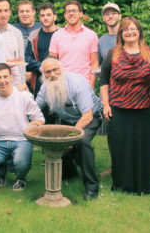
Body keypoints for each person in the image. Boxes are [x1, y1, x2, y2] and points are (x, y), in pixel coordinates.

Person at [100, 17, 150, 195]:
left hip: (146, 108)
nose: (130, 32)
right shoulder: (113, 53)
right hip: (120, 108)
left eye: (134, 29)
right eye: (126, 29)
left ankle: (144, 185)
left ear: (139, 32)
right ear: (121, 33)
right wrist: (105, 104)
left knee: (144, 147)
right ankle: (122, 183)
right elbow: (103, 81)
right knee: (121, 147)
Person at [36, 58, 102, 200]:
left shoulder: (77, 84)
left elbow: (87, 116)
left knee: (82, 141)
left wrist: (71, 137)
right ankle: (69, 173)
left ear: (61, 69)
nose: (53, 74)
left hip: (90, 117)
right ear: (43, 74)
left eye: (55, 69)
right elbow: (35, 108)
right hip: (67, 120)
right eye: (48, 72)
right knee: (54, 141)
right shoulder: (44, 87)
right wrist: (34, 123)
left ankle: (92, 187)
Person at [0, 63, 44, 191]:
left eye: (5, 77)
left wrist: (35, 124)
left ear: (11, 78)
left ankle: (21, 178)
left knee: (21, 163)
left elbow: (40, 118)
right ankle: (1, 171)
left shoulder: (23, 96)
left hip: (21, 140)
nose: (2, 81)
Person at [49, 0, 99, 88]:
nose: (71, 13)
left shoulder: (91, 35)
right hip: (63, 85)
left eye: (74, 11)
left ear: (80, 14)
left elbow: (94, 62)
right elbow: (52, 63)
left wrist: (91, 85)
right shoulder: (56, 36)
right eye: (68, 11)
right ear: (65, 15)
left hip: (84, 84)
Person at [97, 2, 121, 177]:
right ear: (104, 18)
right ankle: (115, 166)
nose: (110, 16)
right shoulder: (101, 41)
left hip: (129, 91)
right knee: (112, 132)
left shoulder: (129, 34)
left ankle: (130, 164)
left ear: (119, 16)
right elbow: (100, 65)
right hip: (110, 92)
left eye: (114, 13)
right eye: (107, 14)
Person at [0, 0, 26, 88]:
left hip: (15, 80)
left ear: (10, 12)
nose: (3, 14)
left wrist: (23, 82)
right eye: (0, 11)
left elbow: (21, 60)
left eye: (6, 10)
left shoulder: (17, 33)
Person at [25, 2, 58, 97]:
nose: (45, 18)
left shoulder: (62, 34)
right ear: (39, 18)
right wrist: (43, 67)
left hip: (59, 81)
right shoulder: (33, 35)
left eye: (48, 15)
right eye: (42, 15)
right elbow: (27, 60)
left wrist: (53, 69)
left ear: (54, 17)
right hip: (39, 82)